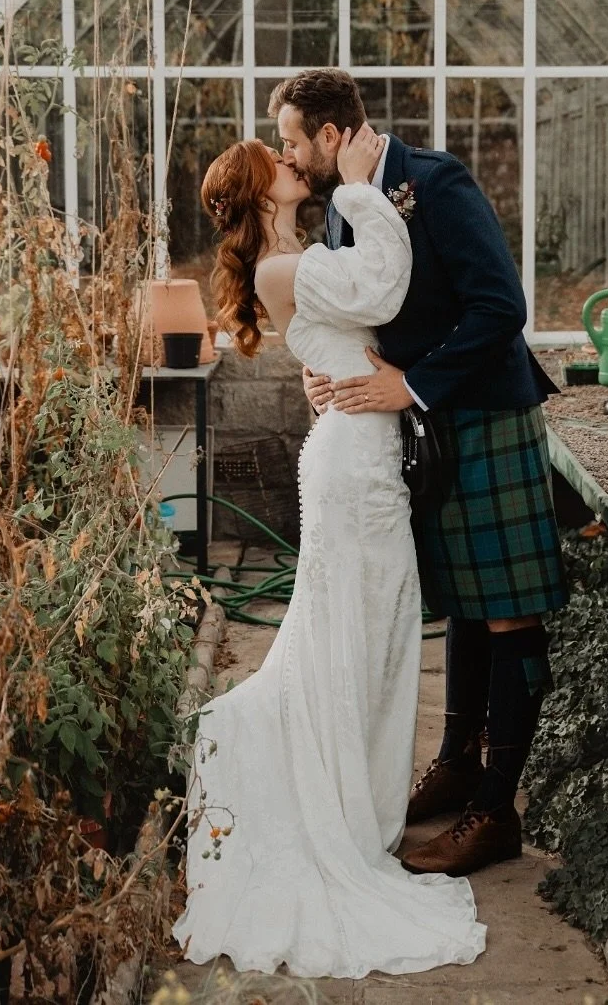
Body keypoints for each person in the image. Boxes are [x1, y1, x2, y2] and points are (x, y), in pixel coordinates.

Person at [172, 127, 486, 978]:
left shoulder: (300, 254)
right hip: (352, 468)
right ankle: (346, 822)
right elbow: (385, 286)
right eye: (274, 160)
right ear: (257, 190)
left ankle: (361, 810)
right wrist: (356, 182)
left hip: (359, 455)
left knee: (373, 642)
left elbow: (363, 317)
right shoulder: (283, 266)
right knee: (360, 644)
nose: (290, 162)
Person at [274, 68, 567, 878]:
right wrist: (323, 367)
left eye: (294, 140)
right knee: (466, 607)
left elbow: (500, 307)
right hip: (424, 429)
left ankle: (495, 809)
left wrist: (411, 382)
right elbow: (354, 308)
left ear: (333, 135)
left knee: (506, 611)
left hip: (485, 413)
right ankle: (456, 765)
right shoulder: (342, 205)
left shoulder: (435, 183)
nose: (288, 155)